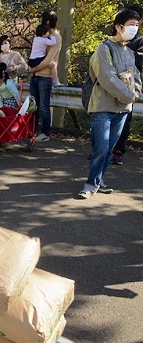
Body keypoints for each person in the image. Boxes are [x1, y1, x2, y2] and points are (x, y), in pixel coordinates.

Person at [77, 9, 141, 199]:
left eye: (137, 25)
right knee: (101, 148)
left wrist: (134, 93)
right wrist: (128, 96)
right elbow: (107, 78)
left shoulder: (129, 52)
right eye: (131, 25)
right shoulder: (104, 49)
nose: (134, 29)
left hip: (122, 109)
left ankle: (98, 180)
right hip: (103, 106)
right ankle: (90, 184)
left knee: (110, 149)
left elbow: (136, 77)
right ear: (118, 26)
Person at [112, 4, 143, 165]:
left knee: (125, 119)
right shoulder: (114, 41)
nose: (133, 27)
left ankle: (118, 151)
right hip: (111, 83)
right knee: (107, 117)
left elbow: (139, 61)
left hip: (128, 83)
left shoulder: (139, 40)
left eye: (136, 23)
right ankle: (104, 151)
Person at [29, 10, 62, 142]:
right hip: (36, 75)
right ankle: (32, 130)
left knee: (44, 106)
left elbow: (49, 60)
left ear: (48, 21)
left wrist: (34, 69)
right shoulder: (41, 35)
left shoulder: (56, 37)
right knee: (34, 106)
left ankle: (45, 133)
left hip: (45, 76)